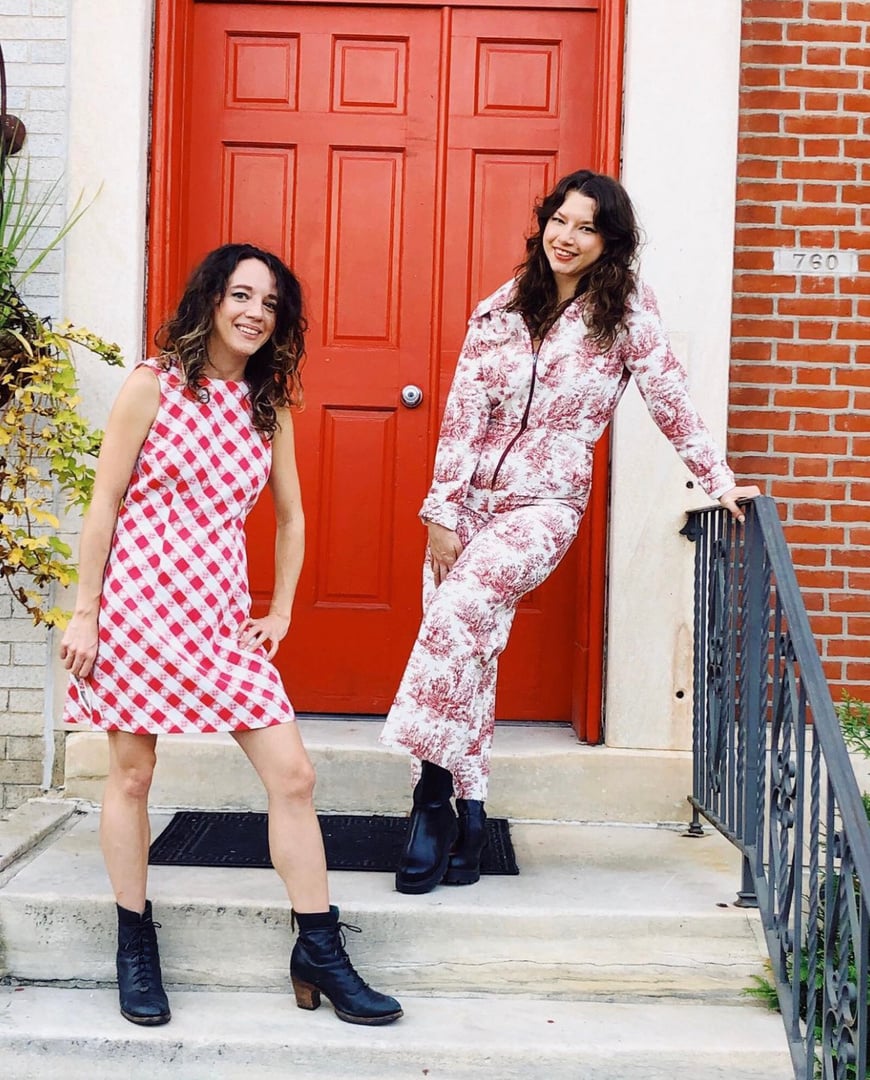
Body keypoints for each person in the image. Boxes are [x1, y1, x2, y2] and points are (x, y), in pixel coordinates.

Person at [380, 169, 761, 895]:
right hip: (468, 507)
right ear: (545, 220)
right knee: (472, 652)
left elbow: (671, 399)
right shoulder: (499, 309)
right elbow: (464, 418)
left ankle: (428, 796)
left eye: (587, 227)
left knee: (455, 619)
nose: (569, 235)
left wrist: (718, 479)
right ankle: (471, 813)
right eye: (562, 218)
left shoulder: (627, 315)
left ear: (608, 241)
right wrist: (440, 511)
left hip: (544, 506)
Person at [60, 243, 402, 1027]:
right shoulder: (151, 386)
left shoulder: (266, 404)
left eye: (270, 303)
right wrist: (86, 610)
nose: (254, 312)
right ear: (211, 300)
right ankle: (133, 940)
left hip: (219, 620)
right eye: (241, 295)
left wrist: (280, 609)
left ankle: (318, 946)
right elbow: (104, 500)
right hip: (139, 607)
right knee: (134, 777)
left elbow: (291, 516)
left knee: (294, 776)